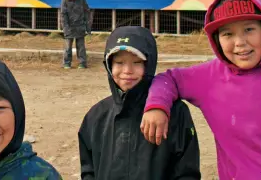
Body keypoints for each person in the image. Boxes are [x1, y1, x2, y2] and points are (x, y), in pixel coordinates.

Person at [141, 0, 261, 179]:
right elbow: (169, 79)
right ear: (217, 39)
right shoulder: (210, 77)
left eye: (249, 29)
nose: (240, 43)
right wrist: (157, 107)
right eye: (228, 34)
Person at [79, 26, 200, 179]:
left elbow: (187, 172)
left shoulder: (176, 112)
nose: (127, 70)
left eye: (137, 62)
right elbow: (88, 170)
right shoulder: (96, 116)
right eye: (119, 62)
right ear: (109, 65)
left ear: (149, 64)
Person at [61, 0, 92, 69]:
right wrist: (65, 28)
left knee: (81, 47)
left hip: (80, 27)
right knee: (68, 47)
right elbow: (63, 15)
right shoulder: (64, 1)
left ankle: (82, 63)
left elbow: (87, 13)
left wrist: (88, 28)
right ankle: (67, 63)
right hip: (69, 27)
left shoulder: (82, 0)